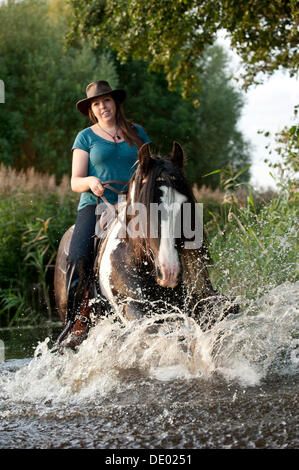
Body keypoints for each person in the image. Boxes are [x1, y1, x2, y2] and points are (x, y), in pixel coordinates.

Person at [60, 80, 151, 349]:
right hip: (97, 205)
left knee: (171, 240)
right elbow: (74, 181)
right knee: (78, 256)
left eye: (106, 101)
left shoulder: (137, 132)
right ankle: (75, 323)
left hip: (135, 205)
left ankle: (199, 295)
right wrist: (90, 181)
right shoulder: (85, 137)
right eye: (96, 104)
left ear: (115, 103)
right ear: (92, 109)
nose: (103, 107)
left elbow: (151, 168)